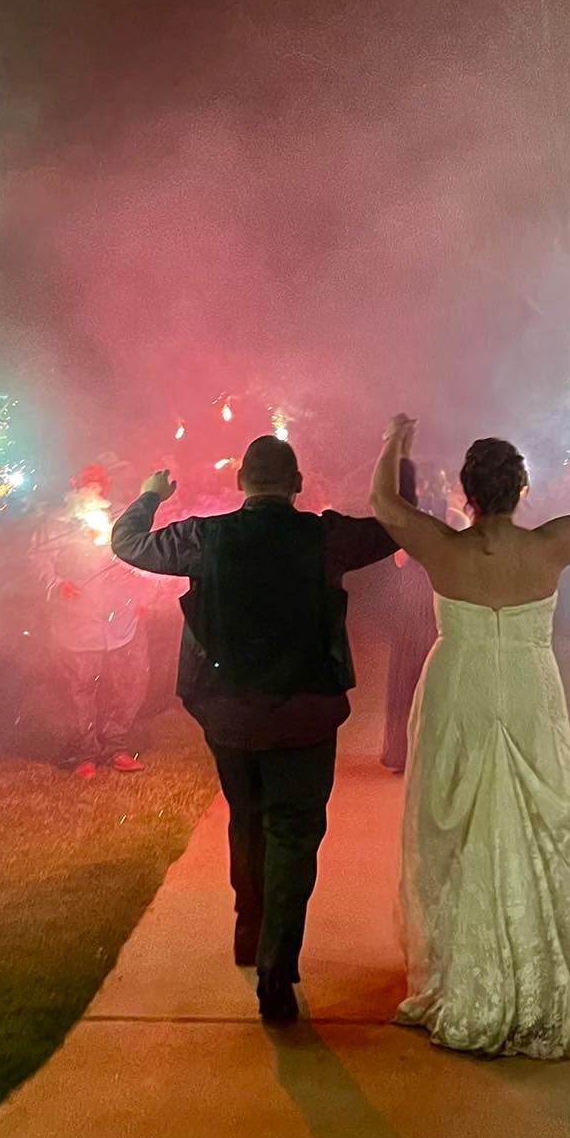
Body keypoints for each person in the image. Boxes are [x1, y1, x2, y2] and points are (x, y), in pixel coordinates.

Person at [111, 434, 416, 1024]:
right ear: (297, 485)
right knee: (295, 833)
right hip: (305, 712)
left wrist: (150, 496)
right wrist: (400, 460)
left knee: (246, 817)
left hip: (228, 711)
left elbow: (127, 544)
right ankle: (277, 962)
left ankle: (250, 930)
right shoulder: (324, 537)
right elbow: (396, 526)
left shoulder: (204, 537)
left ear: (241, 484)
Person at [370, 413, 570, 1060]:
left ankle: (465, 971)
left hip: (460, 686)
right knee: (546, 815)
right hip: (524, 686)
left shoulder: (445, 549)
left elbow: (382, 502)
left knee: (452, 823)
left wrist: (395, 445)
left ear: (468, 493)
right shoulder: (548, 547)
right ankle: (537, 966)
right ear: (520, 491)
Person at [31, 464, 150, 778]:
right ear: (75, 483)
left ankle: (116, 746)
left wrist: (137, 584)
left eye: (99, 479)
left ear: (107, 482)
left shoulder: (121, 516)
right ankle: (85, 752)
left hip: (121, 619)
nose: (94, 485)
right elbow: (38, 560)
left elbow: (141, 557)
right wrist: (56, 585)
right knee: (80, 689)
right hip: (77, 619)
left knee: (128, 684)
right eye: (87, 480)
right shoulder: (55, 522)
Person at [381, 488, 446, 774]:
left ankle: (410, 752)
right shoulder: (440, 536)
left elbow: (400, 560)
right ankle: (417, 752)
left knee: (413, 680)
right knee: (420, 680)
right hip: (420, 613)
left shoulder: (413, 537)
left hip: (418, 613)